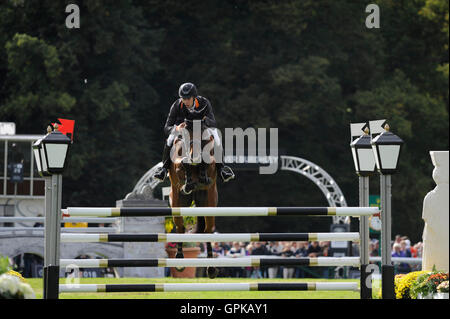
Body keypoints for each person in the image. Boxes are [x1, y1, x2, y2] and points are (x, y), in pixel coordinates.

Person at [153, 83, 235, 189]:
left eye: (188, 98)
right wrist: (176, 128)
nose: (186, 101)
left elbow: (214, 123)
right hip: (183, 127)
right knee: (170, 139)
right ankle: (164, 169)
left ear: (194, 97)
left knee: (217, 137)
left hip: (200, 126)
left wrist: (206, 120)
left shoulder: (204, 103)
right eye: (183, 98)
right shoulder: (177, 105)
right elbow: (167, 127)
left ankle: (221, 169)